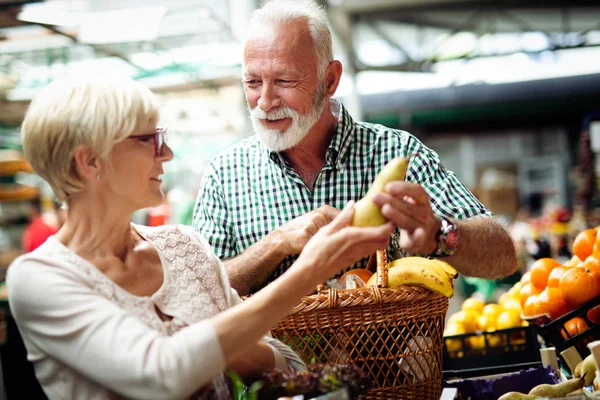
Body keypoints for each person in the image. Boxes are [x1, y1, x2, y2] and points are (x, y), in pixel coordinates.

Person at [6, 77, 394, 400]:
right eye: (150, 140)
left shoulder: (183, 246)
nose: (168, 154)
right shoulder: (39, 279)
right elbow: (161, 374)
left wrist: (236, 349)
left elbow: (286, 366)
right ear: (90, 161)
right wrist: (310, 271)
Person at [193, 0, 517, 296]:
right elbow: (198, 293)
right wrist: (277, 244)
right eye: (252, 82)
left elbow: (503, 257)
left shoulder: (396, 154)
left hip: (396, 361)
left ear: (330, 80)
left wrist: (439, 233)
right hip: (272, 363)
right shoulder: (225, 176)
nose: (264, 101)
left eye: (285, 81)